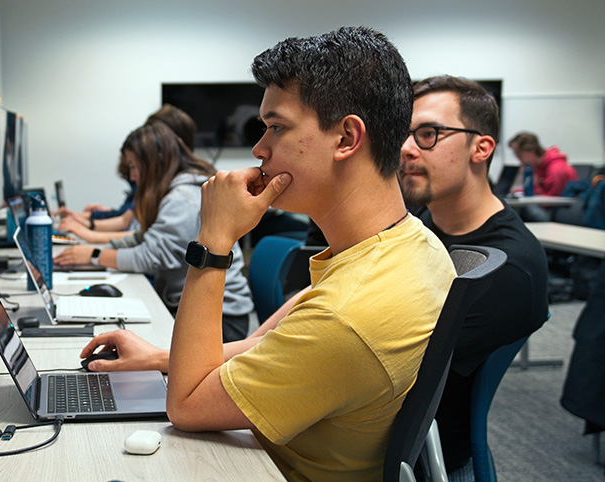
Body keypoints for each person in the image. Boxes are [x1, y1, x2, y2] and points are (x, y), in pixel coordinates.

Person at [78, 27, 457, 481]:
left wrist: (215, 241)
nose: (259, 149)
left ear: (346, 139)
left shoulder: (345, 316)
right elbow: (268, 345)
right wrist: (160, 356)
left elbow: (186, 403)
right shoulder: (413, 244)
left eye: (276, 127)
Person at [399, 75, 549, 481]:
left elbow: (392, 363)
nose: (406, 148)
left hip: (421, 460)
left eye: (428, 133)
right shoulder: (423, 224)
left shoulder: (507, 267)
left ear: (481, 148)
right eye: (403, 133)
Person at [54, 121, 254, 342]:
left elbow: (150, 257)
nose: (132, 176)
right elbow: (144, 238)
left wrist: (95, 256)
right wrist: (92, 253)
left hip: (221, 320)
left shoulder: (183, 198)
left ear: (153, 163)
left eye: (133, 166)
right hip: (198, 309)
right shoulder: (174, 191)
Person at [56, 104, 198, 243]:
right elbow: (136, 227)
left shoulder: (181, 195)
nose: (133, 176)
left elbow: (143, 239)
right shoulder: (162, 185)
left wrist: (92, 241)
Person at [508, 131, 577, 196]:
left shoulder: (556, 169)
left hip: (557, 207)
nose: (517, 158)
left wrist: (535, 185)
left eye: (519, 154)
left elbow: (550, 201)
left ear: (530, 151)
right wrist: (521, 191)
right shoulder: (538, 166)